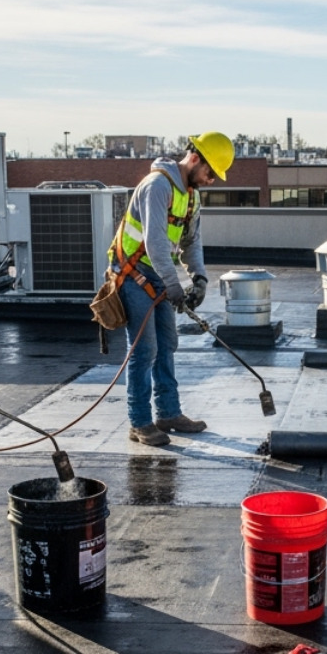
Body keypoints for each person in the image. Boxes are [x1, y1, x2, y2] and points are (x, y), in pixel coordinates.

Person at [109, 132, 233, 446]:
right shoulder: (157, 186)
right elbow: (154, 243)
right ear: (195, 159)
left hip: (157, 275)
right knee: (144, 349)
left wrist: (200, 278)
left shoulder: (191, 195)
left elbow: (191, 242)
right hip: (133, 274)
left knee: (167, 343)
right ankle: (139, 422)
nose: (211, 180)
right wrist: (174, 286)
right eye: (210, 172)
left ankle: (168, 413)